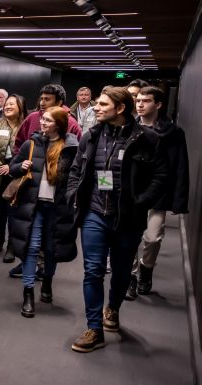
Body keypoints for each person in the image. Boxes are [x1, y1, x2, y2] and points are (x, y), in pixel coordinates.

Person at [66, 86, 168, 352]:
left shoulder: (148, 139)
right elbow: (77, 169)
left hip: (128, 219)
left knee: (122, 272)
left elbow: (161, 176)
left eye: (102, 104)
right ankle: (93, 328)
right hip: (94, 214)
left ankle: (112, 308)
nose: (97, 108)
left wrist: (142, 201)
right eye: (97, 104)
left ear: (120, 109)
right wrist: (72, 195)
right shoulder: (91, 136)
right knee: (93, 270)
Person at [7, 107, 79, 317]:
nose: (42, 123)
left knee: (51, 249)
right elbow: (12, 168)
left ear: (59, 123)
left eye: (48, 120)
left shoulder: (71, 147)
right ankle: (28, 291)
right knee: (32, 246)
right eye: (43, 119)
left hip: (58, 208)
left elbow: (78, 177)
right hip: (34, 206)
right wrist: (21, 166)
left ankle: (47, 280)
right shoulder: (31, 144)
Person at [129, 86, 190, 295]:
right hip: (131, 191)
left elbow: (181, 165)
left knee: (153, 237)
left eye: (145, 101)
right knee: (127, 236)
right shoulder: (128, 128)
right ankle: (131, 274)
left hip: (159, 192)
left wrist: (179, 199)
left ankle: (146, 270)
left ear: (158, 104)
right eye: (138, 100)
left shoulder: (172, 133)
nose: (140, 104)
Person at [0, 94, 26, 254]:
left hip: (17, 173)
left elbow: (27, 149)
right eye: (7, 104)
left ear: (20, 107)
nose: (8, 107)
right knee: (0, 210)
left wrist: (12, 167)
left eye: (12, 104)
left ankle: (11, 245)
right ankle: (0, 238)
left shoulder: (25, 125)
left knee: (13, 210)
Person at [14, 84, 83, 153]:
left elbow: (79, 151)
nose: (42, 103)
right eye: (41, 99)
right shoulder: (32, 117)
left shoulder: (71, 123)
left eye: (47, 99)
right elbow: (18, 143)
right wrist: (20, 161)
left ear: (59, 102)